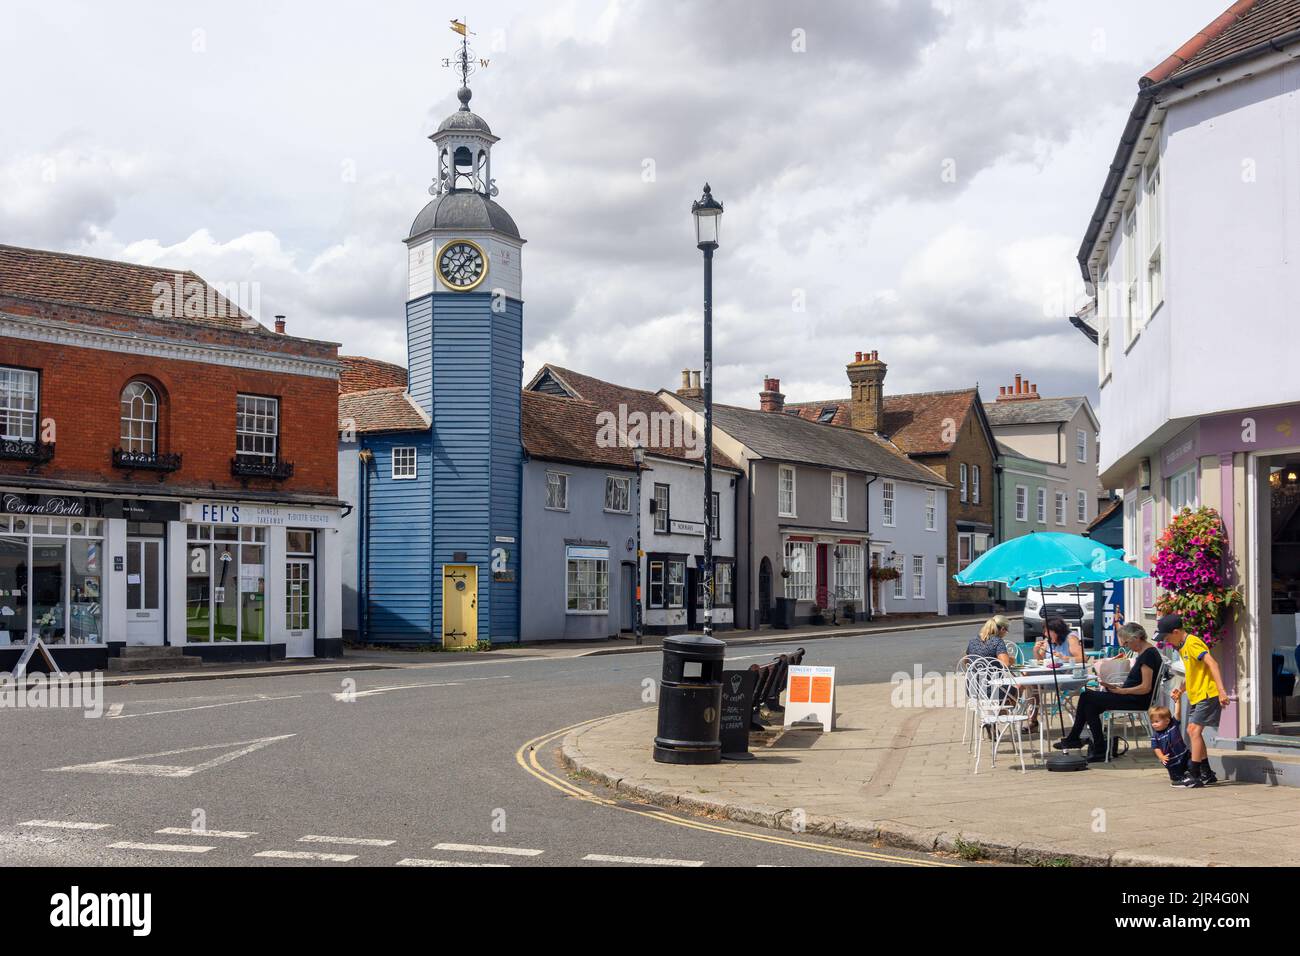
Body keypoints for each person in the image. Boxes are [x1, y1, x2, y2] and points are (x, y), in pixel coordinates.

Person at [1053, 622, 1162, 761]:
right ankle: (1094, 747)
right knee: (1089, 704)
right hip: (1129, 695)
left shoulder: (1148, 655)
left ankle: (1081, 740)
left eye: (1126, 643)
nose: (1125, 646)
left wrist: (1123, 691)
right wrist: (1116, 688)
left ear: (1137, 638)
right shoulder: (1145, 653)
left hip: (1136, 699)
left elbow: (1146, 687)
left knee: (1087, 697)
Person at [1159, 614, 1230, 788]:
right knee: (1193, 732)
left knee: (1193, 730)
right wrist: (1182, 689)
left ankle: (1194, 774)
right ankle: (1207, 773)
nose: (1167, 641)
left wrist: (1221, 691)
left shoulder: (1193, 643)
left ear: (1176, 632)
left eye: (1167, 637)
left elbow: (1212, 664)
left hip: (1208, 693)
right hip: (1196, 694)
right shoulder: (1182, 646)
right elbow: (1193, 671)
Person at [1149, 705, 1190, 786]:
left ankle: (1193, 775)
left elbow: (1177, 713)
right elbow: (1156, 747)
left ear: (1167, 721)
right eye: (1152, 722)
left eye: (1156, 721)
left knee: (1192, 766)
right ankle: (1180, 779)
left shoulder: (1173, 726)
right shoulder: (1155, 736)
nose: (1154, 724)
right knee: (1176, 778)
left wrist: (1177, 701)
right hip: (1171, 761)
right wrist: (1161, 756)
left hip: (1184, 755)